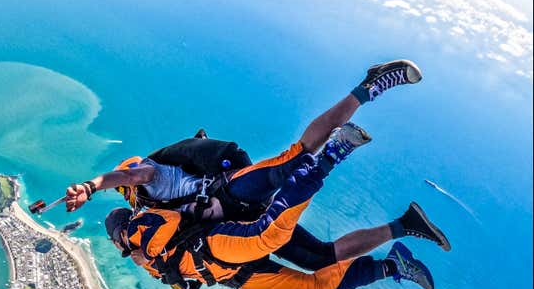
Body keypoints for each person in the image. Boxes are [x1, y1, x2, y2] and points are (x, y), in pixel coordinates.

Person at [64, 59, 422, 219]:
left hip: (230, 189)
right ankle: (338, 150)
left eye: (128, 193)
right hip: (236, 206)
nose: (131, 197)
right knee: (293, 219)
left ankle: (369, 87)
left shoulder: (150, 173)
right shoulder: (154, 205)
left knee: (296, 156)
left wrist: (91, 186)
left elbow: (127, 177)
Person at [103, 154, 450, 289]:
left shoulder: (142, 223)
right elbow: (184, 287)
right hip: (232, 272)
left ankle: (328, 158)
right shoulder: (143, 247)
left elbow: (171, 222)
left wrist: (142, 246)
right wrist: (155, 266)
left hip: (222, 243)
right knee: (311, 288)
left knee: (283, 241)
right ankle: (395, 256)